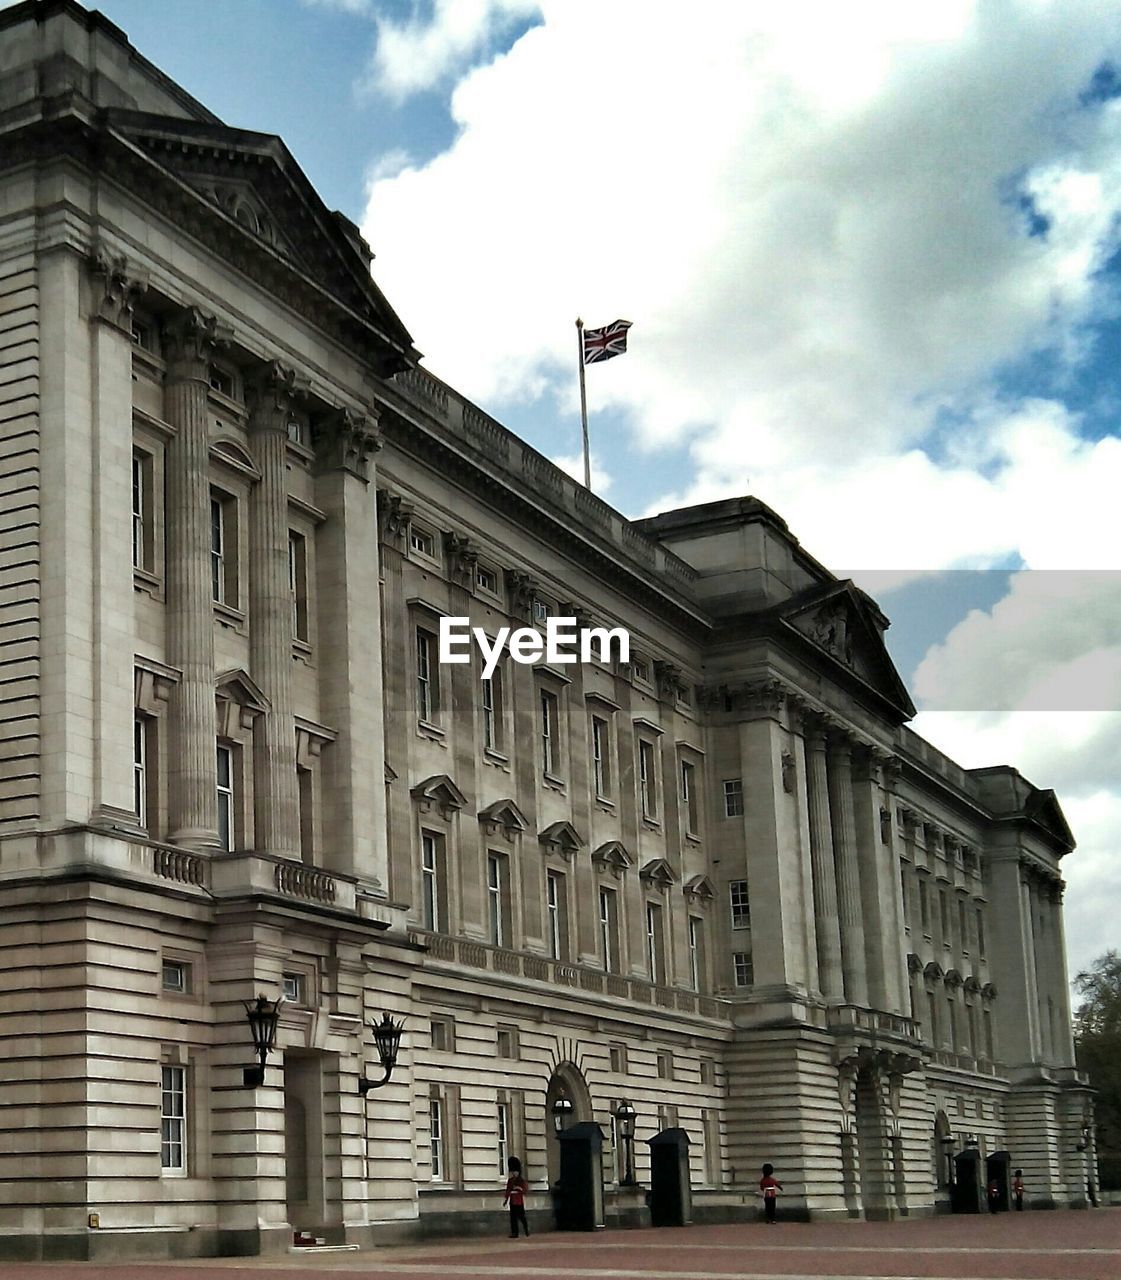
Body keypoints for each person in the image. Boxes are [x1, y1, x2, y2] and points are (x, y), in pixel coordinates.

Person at [504, 1156, 530, 1238]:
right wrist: (506, 1200)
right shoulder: (510, 1180)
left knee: (522, 1217)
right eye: (513, 1172)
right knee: (513, 1218)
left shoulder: (521, 1180)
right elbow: (508, 1190)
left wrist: (519, 1189)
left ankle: (526, 1230)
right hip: (512, 1201)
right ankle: (515, 1233)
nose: (514, 1173)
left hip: (519, 1201)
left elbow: (525, 1190)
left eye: (515, 1172)